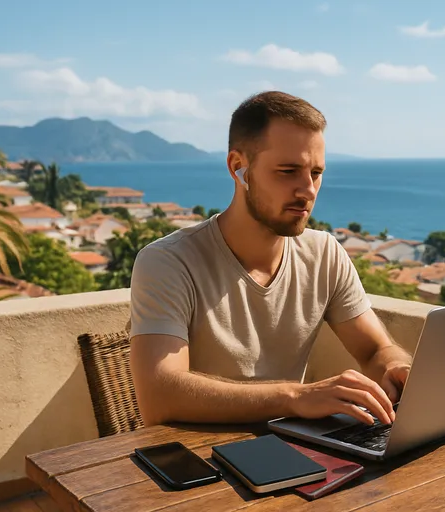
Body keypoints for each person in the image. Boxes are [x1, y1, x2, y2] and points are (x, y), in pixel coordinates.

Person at [127, 91, 412, 428]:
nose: (307, 190)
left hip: (295, 450)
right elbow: (160, 397)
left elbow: (375, 350)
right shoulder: (169, 262)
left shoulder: (325, 254)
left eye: (316, 173)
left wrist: (399, 368)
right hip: (200, 464)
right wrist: (296, 397)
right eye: (288, 171)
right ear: (238, 167)